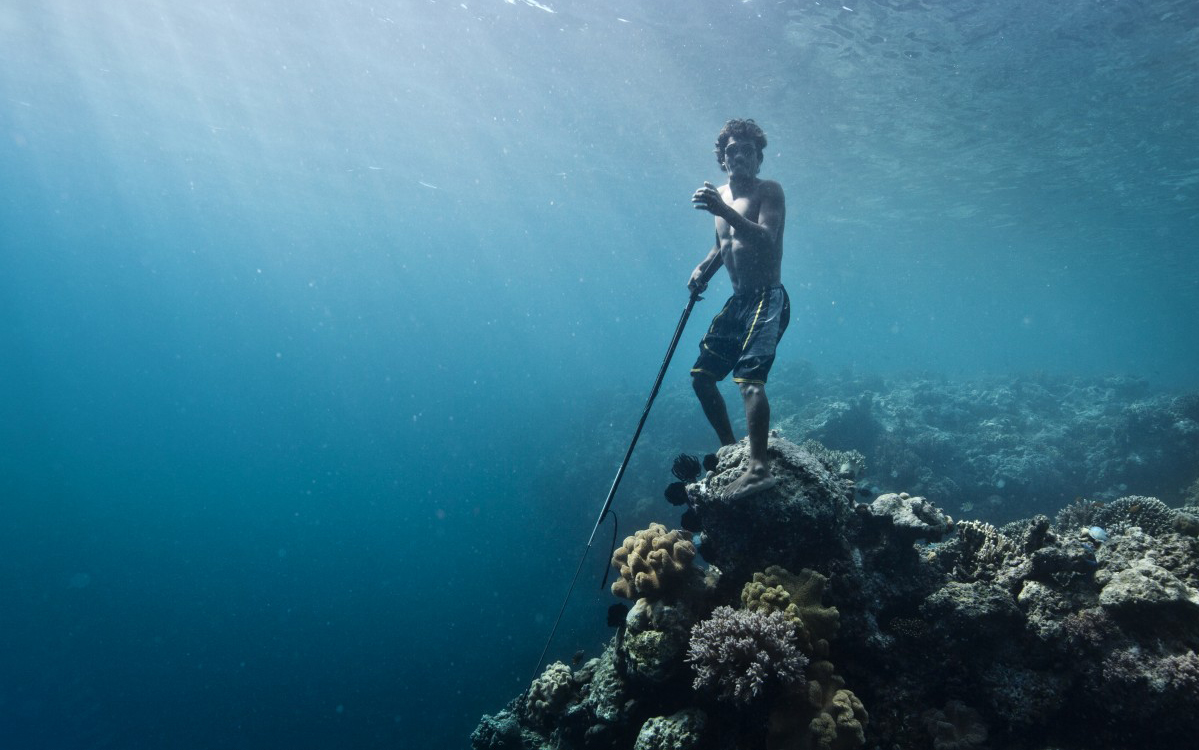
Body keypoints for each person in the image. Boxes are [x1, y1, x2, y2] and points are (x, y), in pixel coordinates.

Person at [687, 119, 789, 501]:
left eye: (748, 150)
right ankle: (732, 447)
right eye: (732, 150)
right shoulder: (722, 198)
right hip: (738, 301)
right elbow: (722, 249)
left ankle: (759, 468)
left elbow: (766, 239)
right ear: (722, 158)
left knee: (749, 380)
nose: (739, 156)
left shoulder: (769, 191)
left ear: (759, 158)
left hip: (767, 296)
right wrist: (703, 272)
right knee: (702, 377)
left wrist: (723, 210)